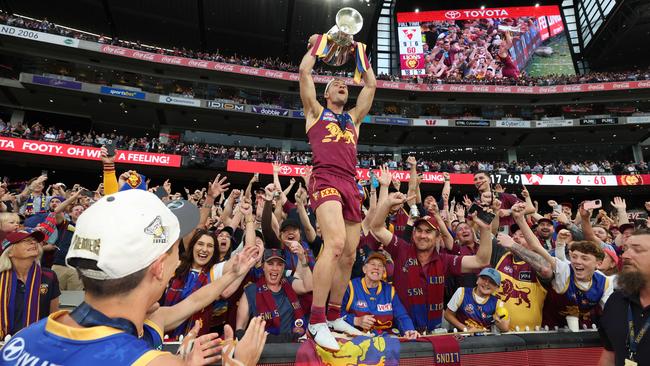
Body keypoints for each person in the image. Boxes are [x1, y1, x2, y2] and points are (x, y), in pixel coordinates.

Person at [5, 189, 256, 365]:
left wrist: (232, 273)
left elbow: (190, 303)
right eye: (173, 250)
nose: (178, 260)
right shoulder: (149, 361)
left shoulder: (21, 339)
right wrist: (241, 363)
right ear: (158, 268)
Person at [299, 33, 377, 350]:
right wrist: (321, 44)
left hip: (351, 181)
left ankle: (333, 315)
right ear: (326, 92)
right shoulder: (315, 112)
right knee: (333, 243)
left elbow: (370, 86)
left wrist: (359, 52)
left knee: (348, 255)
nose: (342, 85)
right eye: (335, 84)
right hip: (326, 177)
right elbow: (304, 72)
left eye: (345, 84)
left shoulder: (354, 119)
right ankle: (316, 321)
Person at [370, 188, 494, 334]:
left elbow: (481, 261)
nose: (423, 235)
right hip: (400, 330)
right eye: (419, 230)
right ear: (413, 233)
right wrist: (387, 204)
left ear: (437, 237)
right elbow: (376, 228)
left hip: (433, 332)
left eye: (428, 231)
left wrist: (485, 229)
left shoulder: (444, 260)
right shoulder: (402, 249)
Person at [236, 248, 313, 342]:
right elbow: (239, 330)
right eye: (270, 264)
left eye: (279, 264)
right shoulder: (251, 290)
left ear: (284, 267)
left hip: (291, 345)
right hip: (263, 348)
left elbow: (308, 286)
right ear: (263, 266)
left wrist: (303, 259)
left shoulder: (289, 283)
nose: (275, 268)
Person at [598, 228, 650, 366]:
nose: (625, 255)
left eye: (637, 250)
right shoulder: (616, 300)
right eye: (625, 249)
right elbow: (610, 354)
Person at [340, 252, 418, 339]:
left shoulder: (389, 290)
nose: (376, 268)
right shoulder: (350, 287)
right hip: (356, 339)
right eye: (372, 264)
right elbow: (335, 314)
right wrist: (355, 320)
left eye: (380, 265)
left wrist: (409, 330)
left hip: (385, 339)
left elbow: (402, 316)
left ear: (383, 271)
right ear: (364, 269)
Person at [0, 230, 60, 337]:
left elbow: (54, 317)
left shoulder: (49, 276)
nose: (33, 243)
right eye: (26, 241)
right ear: (9, 252)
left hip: (37, 343)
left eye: (34, 240)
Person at [445, 268, 510, 333]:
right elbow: (448, 315)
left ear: (497, 288)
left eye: (492, 282)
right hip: (462, 337)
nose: (486, 283)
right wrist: (466, 329)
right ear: (477, 280)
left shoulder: (498, 303)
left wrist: (502, 325)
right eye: (484, 278)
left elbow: (504, 329)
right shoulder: (462, 292)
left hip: (485, 340)